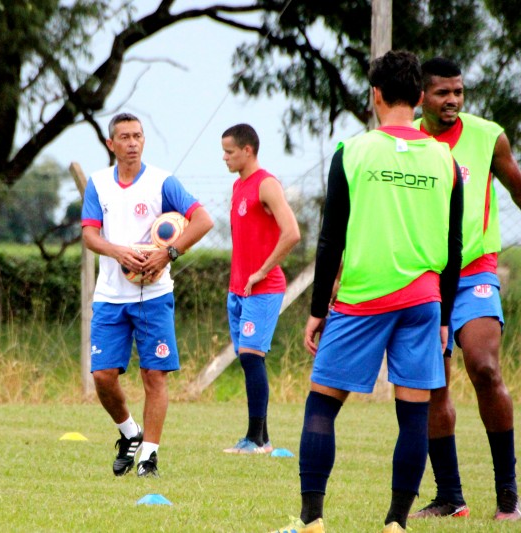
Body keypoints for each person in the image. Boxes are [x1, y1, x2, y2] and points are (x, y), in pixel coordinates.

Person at [269, 50, 463, 533]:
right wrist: (444, 316)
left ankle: (312, 519)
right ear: (420, 98)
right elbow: (454, 247)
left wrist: (317, 310)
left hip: (361, 299)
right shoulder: (446, 161)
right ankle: (396, 522)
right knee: (413, 414)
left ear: (375, 95)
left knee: (322, 404)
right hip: (424, 300)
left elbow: (330, 239)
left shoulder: (351, 153)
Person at [409, 57, 521, 521]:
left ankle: (509, 497)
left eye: (458, 91)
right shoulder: (406, 140)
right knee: (435, 387)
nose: (453, 100)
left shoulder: (487, 135)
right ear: (422, 97)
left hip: (474, 272)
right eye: (442, 93)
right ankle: (450, 497)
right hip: (424, 278)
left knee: (485, 367)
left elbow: (517, 187)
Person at [81, 112, 213, 477]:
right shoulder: (98, 184)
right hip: (110, 295)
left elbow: (203, 220)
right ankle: (129, 433)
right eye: (124, 137)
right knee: (103, 376)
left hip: (154, 295)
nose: (132, 142)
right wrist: (117, 251)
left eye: (137, 135)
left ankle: (148, 458)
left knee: (154, 377)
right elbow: (90, 234)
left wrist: (168, 253)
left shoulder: (162, 181)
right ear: (111, 144)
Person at [220, 124, 300, 454]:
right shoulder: (239, 186)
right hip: (237, 289)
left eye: (229, 151)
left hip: (264, 289)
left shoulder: (266, 184)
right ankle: (262, 439)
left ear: (247, 150)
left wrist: (262, 271)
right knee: (248, 358)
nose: (224, 157)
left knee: (253, 357)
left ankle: (255, 439)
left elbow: (292, 232)